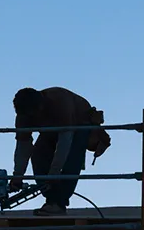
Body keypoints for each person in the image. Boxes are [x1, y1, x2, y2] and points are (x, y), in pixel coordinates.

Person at [10, 87, 111, 216]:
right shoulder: (23, 116)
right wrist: (17, 176)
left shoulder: (59, 102)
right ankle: (51, 200)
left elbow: (65, 144)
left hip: (78, 124)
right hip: (51, 130)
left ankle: (59, 203)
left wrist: (54, 173)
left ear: (41, 105)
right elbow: (23, 146)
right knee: (38, 156)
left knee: (72, 159)